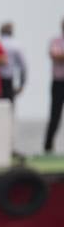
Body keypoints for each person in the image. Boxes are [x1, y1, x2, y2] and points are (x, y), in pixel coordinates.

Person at [0, 23, 27, 105]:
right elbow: (23, 66)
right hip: (8, 79)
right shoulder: (16, 45)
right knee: (8, 107)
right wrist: (22, 84)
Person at [48, 20, 64, 153]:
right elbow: (54, 56)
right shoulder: (56, 41)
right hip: (58, 82)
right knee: (55, 115)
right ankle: (48, 146)